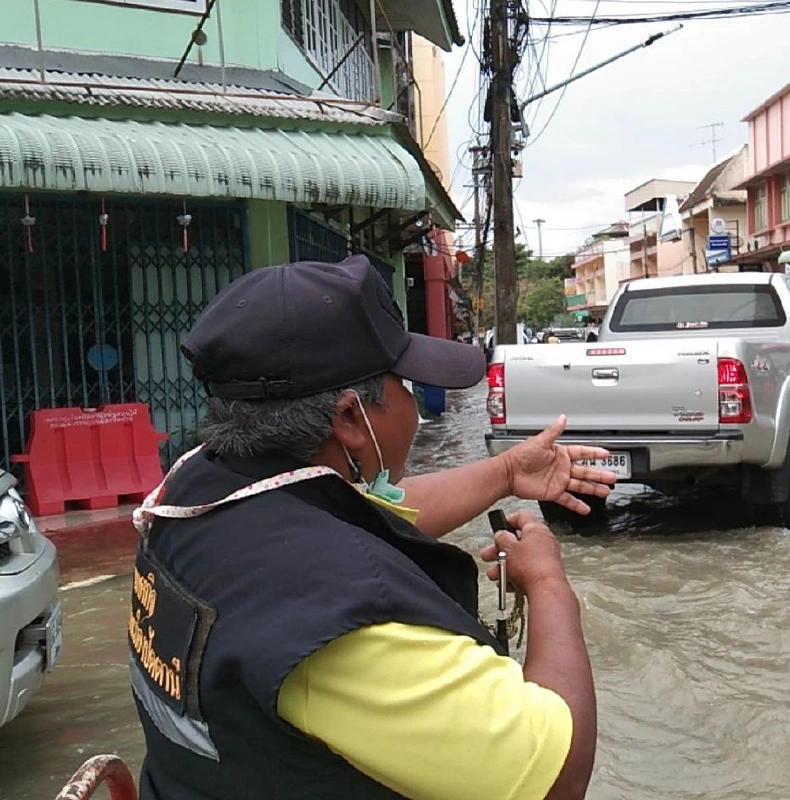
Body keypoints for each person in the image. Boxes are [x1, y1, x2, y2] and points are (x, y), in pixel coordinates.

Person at [128, 255, 616, 799]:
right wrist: (549, 584)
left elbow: (366, 508)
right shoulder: (342, 617)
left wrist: (506, 471)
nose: (414, 403)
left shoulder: (197, 488)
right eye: (405, 384)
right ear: (350, 418)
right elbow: (556, 774)